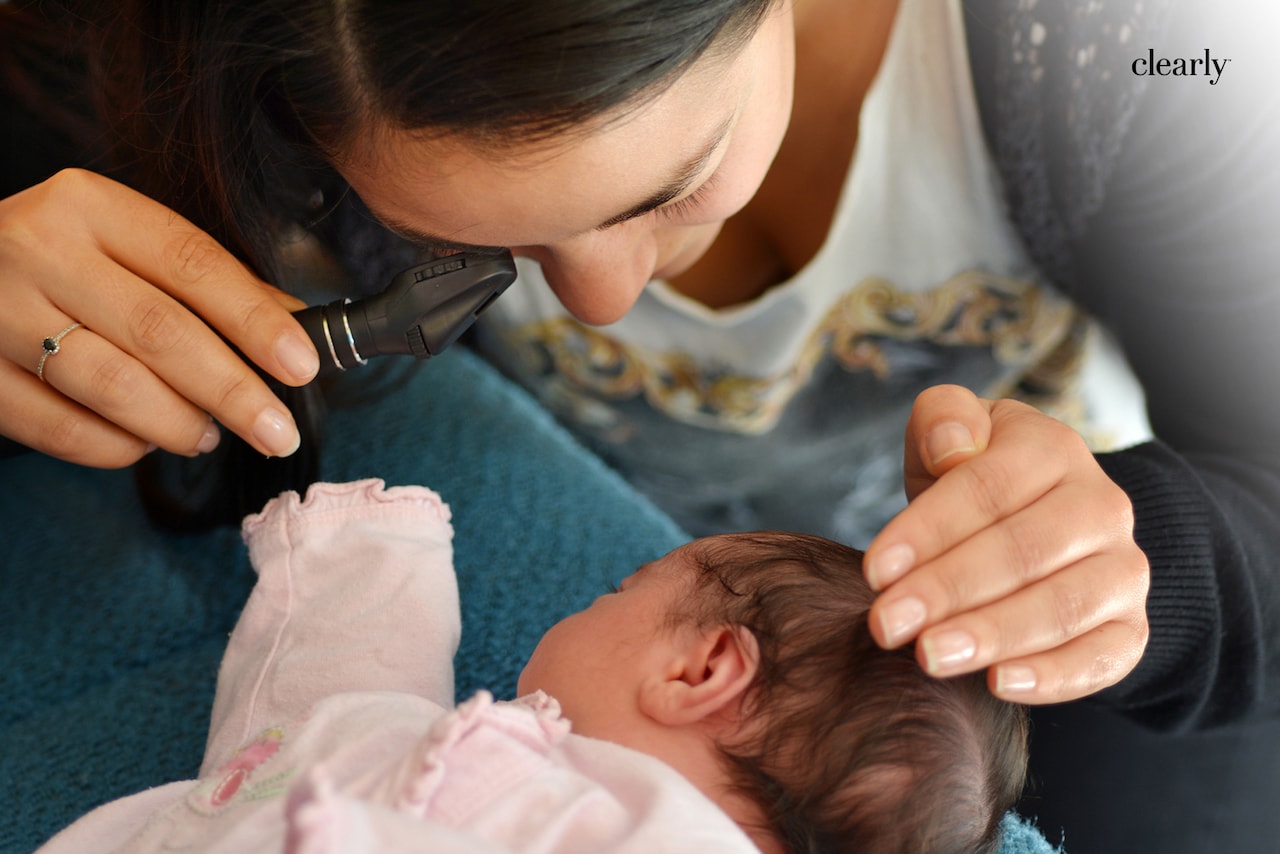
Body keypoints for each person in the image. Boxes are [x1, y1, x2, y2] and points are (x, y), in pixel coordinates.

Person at [1, 0, 1278, 849]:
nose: (603, 301)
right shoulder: (244, 39)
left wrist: (1139, 565)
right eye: (468, 244)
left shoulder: (1143, 54)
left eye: (673, 183)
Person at [36, 478, 1032, 854]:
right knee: (351, 702)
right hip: (288, 780)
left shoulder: (647, 828)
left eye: (621, 590)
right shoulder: (523, 767)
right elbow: (343, 709)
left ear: (701, 670)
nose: (590, 598)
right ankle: (364, 555)